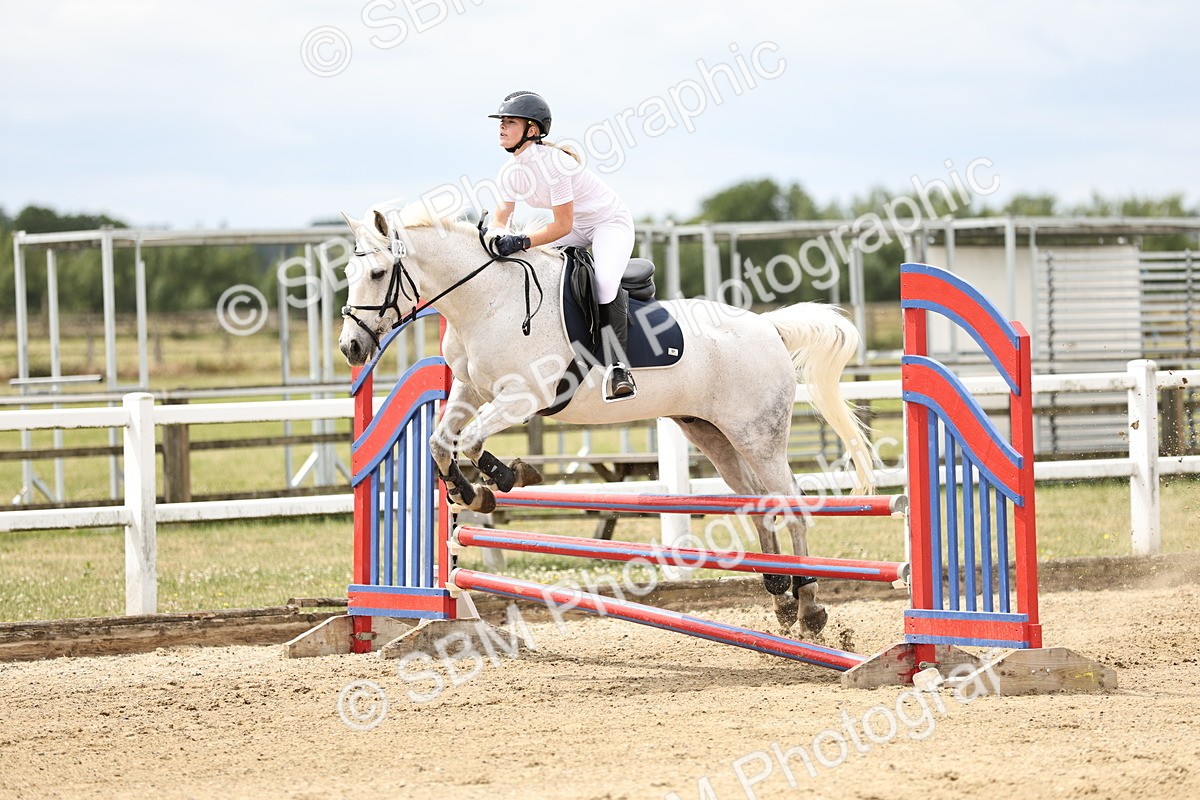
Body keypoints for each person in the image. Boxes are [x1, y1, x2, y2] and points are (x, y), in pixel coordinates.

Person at [487, 90, 637, 401]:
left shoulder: (554, 163)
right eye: (501, 121)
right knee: (530, 265)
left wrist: (523, 239)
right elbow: (501, 216)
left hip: (608, 223)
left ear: (532, 130)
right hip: (575, 226)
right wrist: (495, 237)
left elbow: (561, 226)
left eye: (509, 121)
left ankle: (619, 367)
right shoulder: (509, 172)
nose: (501, 127)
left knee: (605, 282)